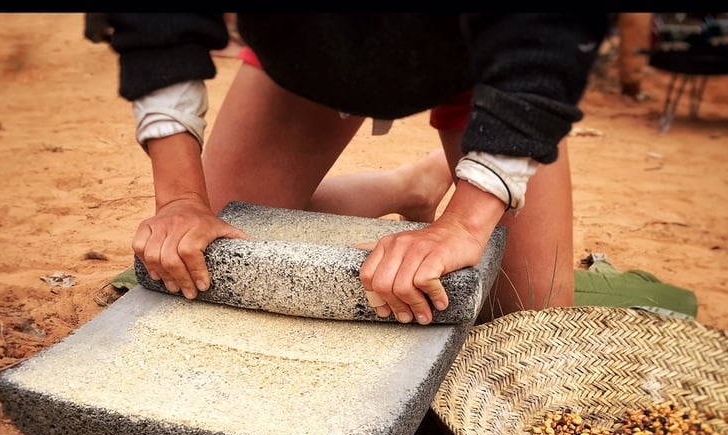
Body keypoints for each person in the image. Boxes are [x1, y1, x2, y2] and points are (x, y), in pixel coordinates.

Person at [98, 14, 609, 324]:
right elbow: (154, 24)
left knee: (526, 317)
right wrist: (181, 199)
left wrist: (465, 221)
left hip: (486, 63)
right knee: (214, 259)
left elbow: (550, 33)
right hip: (311, 56)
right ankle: (413, 183)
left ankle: (462, 177)